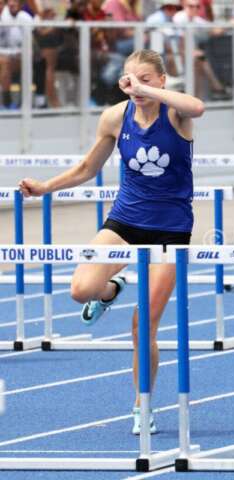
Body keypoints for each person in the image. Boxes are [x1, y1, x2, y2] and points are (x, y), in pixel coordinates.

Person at [18, 49, 205, 435]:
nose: (135, 88)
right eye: (129, 80)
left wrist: (151, 92)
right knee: (80, 289)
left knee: (143, 325)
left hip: (170, 230)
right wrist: (44, 187)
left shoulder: (176, 115)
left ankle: (142, 402)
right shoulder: (115, 118)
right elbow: (88, 168)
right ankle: (108, 292)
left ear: (162, 80)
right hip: (124, 221)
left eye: (146, 80)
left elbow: (197, 106)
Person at [0, 0, 33, 109]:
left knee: (26, 61)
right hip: (3, 55)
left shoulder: (25, 17)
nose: (12, 4)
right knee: (5, 63)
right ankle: (6, 101)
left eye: (15, 2)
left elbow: (29, 42)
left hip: (18, 54)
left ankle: (24, 101)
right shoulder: (4, 15)